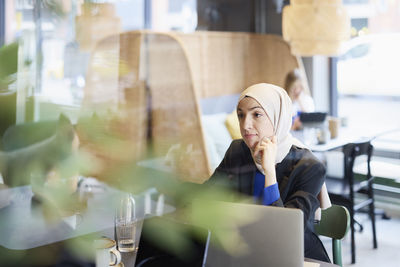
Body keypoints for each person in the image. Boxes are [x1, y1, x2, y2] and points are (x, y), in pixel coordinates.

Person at [205, 83, 330, 262]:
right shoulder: (237, 150)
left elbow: (285, 235)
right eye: (241, 115)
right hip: (245, 252)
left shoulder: (309, 166)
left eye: (257, 114)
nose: (245, 125)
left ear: (277, 116)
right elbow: (207, 196)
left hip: (296, 256)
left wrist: (269, 172)